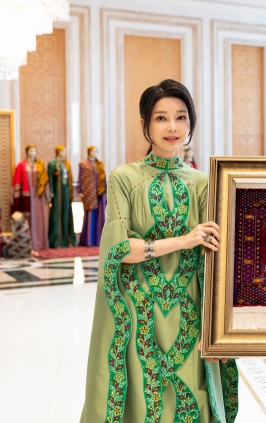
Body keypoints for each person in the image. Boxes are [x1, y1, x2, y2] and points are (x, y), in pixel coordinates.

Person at [80, 79, 239, 423]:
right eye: (161, 118)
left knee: (192, 403)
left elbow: (218, 259)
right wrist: (184, 240)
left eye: (181, 117)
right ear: (145, 125)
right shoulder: (125, 178)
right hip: (139, 317)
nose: (172, 127)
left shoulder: (204, 181)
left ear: (191, 124)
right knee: (145, 405)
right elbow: (119, 248)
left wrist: (215, 329)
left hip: (190, 317)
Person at [11, 144, 49, 250]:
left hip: (38, 196)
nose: (33, 153)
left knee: (39, 218)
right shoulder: (21, 165)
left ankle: (41, 243)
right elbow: (17, 181)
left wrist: (47, 193)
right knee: (28, 217)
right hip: (27, 196)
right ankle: (28, 243)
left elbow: (45, 180)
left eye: (34, 151)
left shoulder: (40, 164)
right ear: (27, 152)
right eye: (31, 151)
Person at [77, 145, 107, 246]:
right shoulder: (83, 164)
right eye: (93, 151)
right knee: (90, 214)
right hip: (89, 192)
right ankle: (89, 240)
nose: (95, 153)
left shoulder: (99, 164)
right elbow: (80, 178)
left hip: (99, 191)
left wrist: (104, 189)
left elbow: (103, 177)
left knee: (100, 214)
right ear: (89, 152)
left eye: (96, 151)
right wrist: (80, 190)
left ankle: (100, 240)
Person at [48, 145, 77, 248]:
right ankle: (56, 241)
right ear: (58, 152)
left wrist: (71, 192)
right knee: (57, 215)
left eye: (65, 151)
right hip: (57, 194)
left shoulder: (67, 164)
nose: (64, 153)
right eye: (63, 151)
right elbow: (50, 180)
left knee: (67, 214)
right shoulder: (52, 164)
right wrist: (51, 192)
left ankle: (67, 240)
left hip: (66, 192)